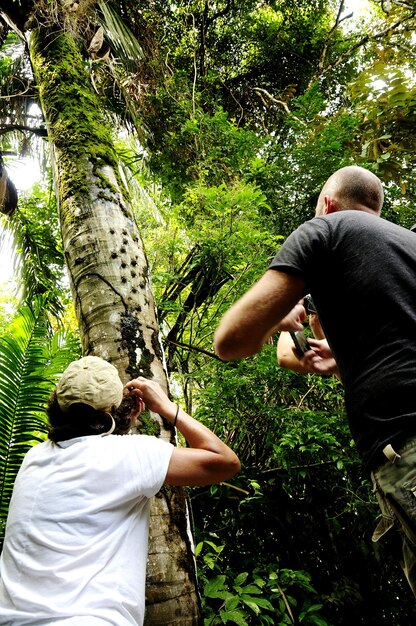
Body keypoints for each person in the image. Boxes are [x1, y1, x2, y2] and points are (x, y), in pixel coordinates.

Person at [214, 165, 416, 595]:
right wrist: (336, 358)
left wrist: (274, 318)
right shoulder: (408, 244)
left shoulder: (324, 231)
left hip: (407, 441)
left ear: (326, 204)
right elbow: (308, 353)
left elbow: (229, 341)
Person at [0, 355, 240, 625]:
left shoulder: (34, 457)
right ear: (118, 410)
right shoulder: (131, 454)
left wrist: (120, 423)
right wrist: (166, 407)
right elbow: (225, 462)